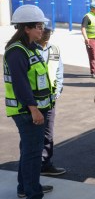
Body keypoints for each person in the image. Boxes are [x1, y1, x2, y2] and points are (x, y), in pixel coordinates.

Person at [4, 5, 55, 199]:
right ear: (26, 28)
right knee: (33, 155)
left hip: (37, 108)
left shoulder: (31, 47)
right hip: (27, 111)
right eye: (38, 26)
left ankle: (24, 187)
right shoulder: (17, 51)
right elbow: (21, 85)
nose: (42, 29)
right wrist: (34, 110)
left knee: (28, 150)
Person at [37, 27, 67, 176]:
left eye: (49, 33)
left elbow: (59, 71)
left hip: (50, 100)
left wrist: (57, 91)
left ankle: (46, 164)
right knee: (33, 138)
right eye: (45, 32)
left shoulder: (54, 49)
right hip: (34, 102)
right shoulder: (30, 50)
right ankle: (31, 172)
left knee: (48, 134)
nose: (47, 35)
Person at [81, 0, 95, 78]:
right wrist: (86, 38)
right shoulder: (87, 16)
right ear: (92, 9)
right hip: (92, 40)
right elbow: (83, 28)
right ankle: (93, 72)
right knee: (92, 57)